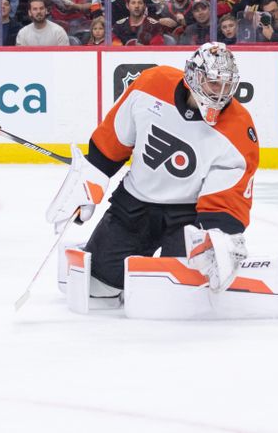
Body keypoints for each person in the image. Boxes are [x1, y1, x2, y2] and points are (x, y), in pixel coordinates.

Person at [46, 42, 258, 296]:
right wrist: (89, 183)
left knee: (180, 295)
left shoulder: (238, 127)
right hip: (134, 205)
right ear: (193, 76)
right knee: (99, 288)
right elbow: (113, 140)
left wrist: (217, 235)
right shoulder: (152, 84)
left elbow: (228, 193)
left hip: (187, 217)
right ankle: (94, 246)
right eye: (214, 83)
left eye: (227, 85)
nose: (221, 93)